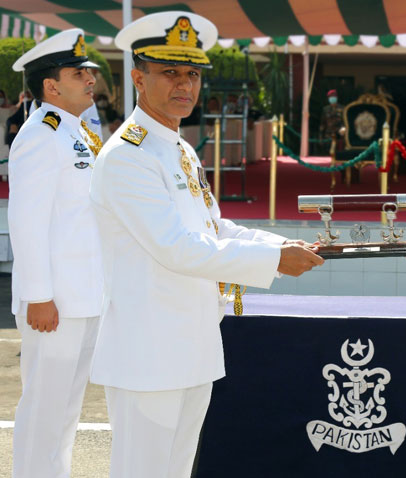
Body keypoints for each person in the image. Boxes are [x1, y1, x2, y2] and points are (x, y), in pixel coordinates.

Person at [89, 12, 323, 477]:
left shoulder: (179, 148)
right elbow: (178, 248)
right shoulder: (126, 157)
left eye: (192, 74)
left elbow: (213, 229)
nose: (185, 84)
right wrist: (275, 259)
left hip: (191, 342)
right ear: (138, 78)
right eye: (169, 72)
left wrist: (282, 243)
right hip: (148, 349)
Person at [7, 29, 103, 478]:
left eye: (89, 71)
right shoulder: (40, 135)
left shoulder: (77, 131)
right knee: (44, 408)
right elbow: (26, 223)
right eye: (78, 71)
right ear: (51, 85)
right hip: (56, 301)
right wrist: (38, 296)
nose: (90, 79)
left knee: (66, 409)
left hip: (84, 296)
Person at [319, 89, 344, 155]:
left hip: (339, 135)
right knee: (328, 154)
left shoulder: (342, 108)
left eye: (334, 96)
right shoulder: (325, 109)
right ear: (328, 98)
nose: (332, 98)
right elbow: (322, 124)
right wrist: (321, 137)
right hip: (328, 135)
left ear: (336, 97)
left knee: (339, 153)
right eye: (330, 97)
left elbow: (345, 122)